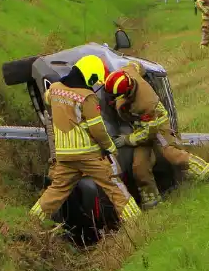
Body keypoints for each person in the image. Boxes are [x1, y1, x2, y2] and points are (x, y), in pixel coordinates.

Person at [29, 55, 141, 225]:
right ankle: (138, 222)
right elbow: (97, 129)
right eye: (95, 78)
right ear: (89, 74)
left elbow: (47, 99)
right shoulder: (87, 97)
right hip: (87, 154)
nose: (94, 83)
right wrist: (110, 147)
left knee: (56, 191)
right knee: (114, 186)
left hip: (64, 155)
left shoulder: (54, 89)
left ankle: (30, 221)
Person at [103, 63, 209, 208]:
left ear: (125, 93)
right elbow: (137, 65)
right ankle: (152, 202)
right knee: (139, 167)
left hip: (156, 125)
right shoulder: (127, 71)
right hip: (139, 127)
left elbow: (148, 133)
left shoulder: (145, 103)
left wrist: (127, 139)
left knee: (170, 153)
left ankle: (207, 173)